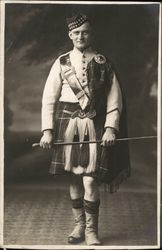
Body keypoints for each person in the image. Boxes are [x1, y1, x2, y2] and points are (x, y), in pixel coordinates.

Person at [40, 13, 130, 246]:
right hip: (66, 121)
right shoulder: (61, 62)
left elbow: (114, 99)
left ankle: (91, 231)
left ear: (92, 34)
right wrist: (47, 130)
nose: (81, 36)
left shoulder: (103, 62)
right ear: (70, 35)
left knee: (90, 180)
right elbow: (49, 98)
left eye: (85, 32)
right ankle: (79, 226)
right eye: (76, 33)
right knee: (73, 178)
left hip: (96, 122)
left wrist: (111, 128)